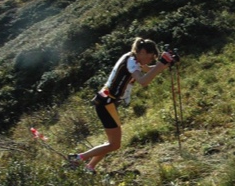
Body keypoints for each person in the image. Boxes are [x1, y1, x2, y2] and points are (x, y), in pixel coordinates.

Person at [69, 37, 175, 172]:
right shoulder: (132, 62)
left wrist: (165, 65)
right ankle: (77, 159)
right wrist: (161, 64)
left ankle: (90, 166)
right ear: (142, 51)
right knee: (114, 144)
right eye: (150, 57)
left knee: (111, 143)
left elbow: (148, 69)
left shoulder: (133, 58)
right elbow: (143, 81)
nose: (150, 61)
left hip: (107, 102)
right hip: (106, 103)